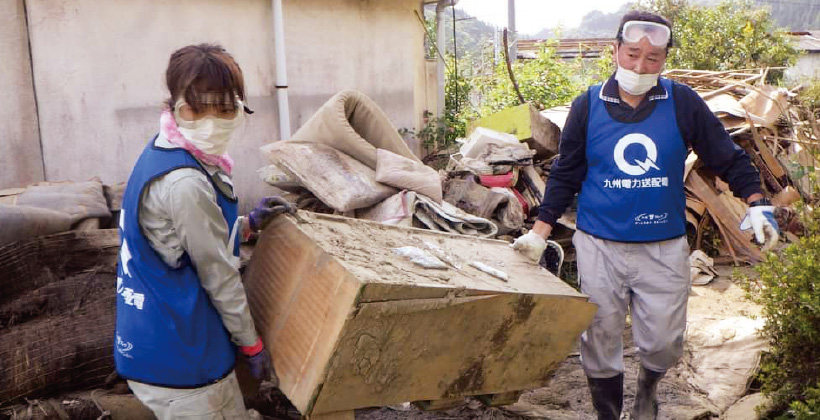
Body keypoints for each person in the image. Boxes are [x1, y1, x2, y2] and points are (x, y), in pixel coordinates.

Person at [512, 11, 779, 420]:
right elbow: (567, 172)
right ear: (615, 50)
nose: (640, 66)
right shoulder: (588, 105)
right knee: (599, 336)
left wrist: (757, 201)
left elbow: (727, 156)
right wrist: (540, 232)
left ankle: (649, 388)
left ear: (665, 59)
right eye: (633, 54)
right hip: (600, 243)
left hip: (664, 244)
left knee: (664, 343)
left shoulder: (682, 102)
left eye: (653, 58)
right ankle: (607, 414)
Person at [114, 43, 292, 419]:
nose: (211, 122)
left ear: (240, 110)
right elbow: (218, 275)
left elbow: (181, 238)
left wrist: (247, 226)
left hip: (152, 337)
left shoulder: (165, 152)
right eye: (196, 109)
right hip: (181, 356)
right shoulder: (186, 182)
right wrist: (252, 345)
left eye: (225, 109)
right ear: (173, 108)